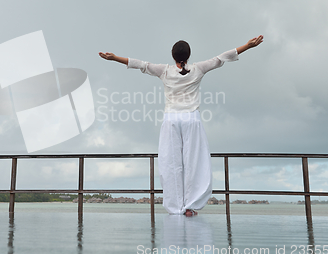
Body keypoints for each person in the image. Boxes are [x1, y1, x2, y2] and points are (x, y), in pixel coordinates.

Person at [98, 35, 264, 216]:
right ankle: (190, 206)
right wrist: (247, 46)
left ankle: (175, 207)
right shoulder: (198, 68)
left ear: (172, 56)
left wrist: (114, 58)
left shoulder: (164, 70)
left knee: (170, 163)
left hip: (171, 120)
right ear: (189, 55)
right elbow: (221, 58)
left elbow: (140, 64)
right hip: (191, 119)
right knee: (194, 162)